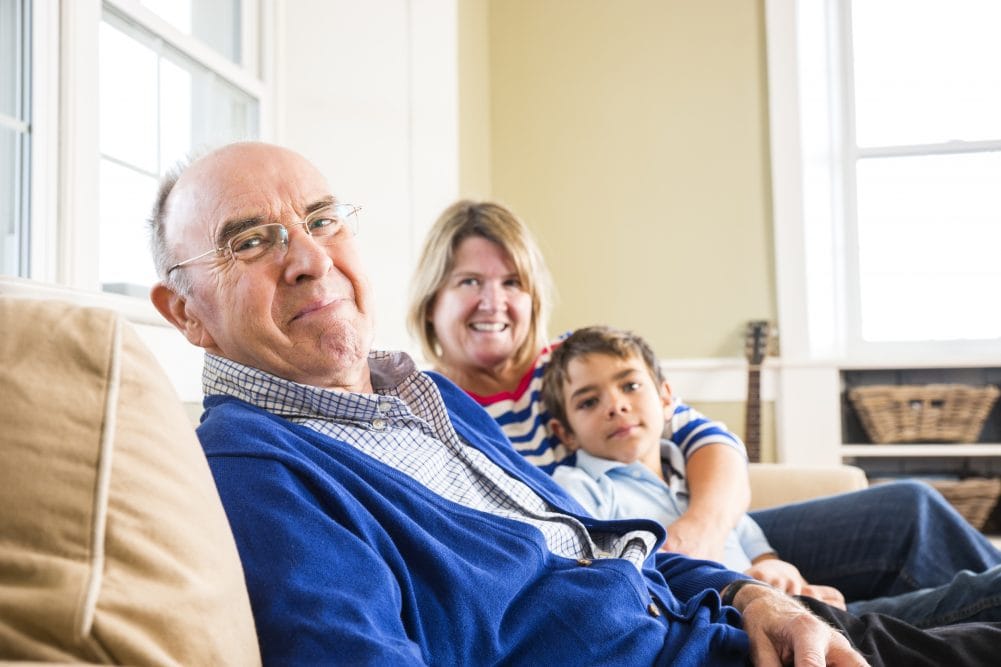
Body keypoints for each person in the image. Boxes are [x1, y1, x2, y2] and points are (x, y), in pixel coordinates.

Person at [146, 141, 1001, 666]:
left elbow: (603, 531)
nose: (306, 257)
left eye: (323, 219)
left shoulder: (429, 397)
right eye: (250, 240)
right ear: (184, 310)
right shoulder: (259, 465)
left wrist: (745, 591)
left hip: (717, 616)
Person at [407, 199, 1001, 620]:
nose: (494, 301)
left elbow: (705, 440)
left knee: (910, 509)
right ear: (432, 299)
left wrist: (709, 535)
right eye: (468, 282)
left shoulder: (574, 362)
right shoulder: (428, 408)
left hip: (694, 535)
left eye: (512, 282)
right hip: (628, 571)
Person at [543, 324, 1001, 626]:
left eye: (630, 385)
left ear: (667, 399)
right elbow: (607, 578)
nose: (616, 405)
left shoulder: (694, 480)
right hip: (747, 626)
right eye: (589, 401)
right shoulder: (580, 488)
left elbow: (749, 540)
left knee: (973, 602)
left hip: (793, 606)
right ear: (564, 432)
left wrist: (775, 568)